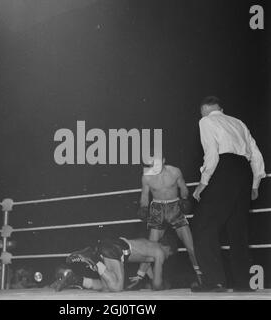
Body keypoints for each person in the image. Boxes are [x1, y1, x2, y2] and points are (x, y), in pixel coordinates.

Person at [192, 96, 266, 292]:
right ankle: (243, 282)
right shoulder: (238, 122)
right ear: (221, 108)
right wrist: (255, 183)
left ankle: (214, 280)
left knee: (202, 226)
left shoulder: (206, 120)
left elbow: (212, 154)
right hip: (244, 172)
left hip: (223, 170)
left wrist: (202, 183)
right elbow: (256, 153)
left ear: (204, 109)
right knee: (237, 229)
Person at [130, 156, 202, 289]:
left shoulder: (175, 172)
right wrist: (143, 207)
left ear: (163, 160)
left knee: (190, 246)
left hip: (174, 207)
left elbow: (183, 188)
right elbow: (145, 196)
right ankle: (139, 277)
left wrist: (185, 199)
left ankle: (201, 278)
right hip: (157, 209)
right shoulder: (147, 176)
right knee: (151, 246)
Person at [50, 235, 177, 292]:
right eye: (169, 255)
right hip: (117, 248)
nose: (167, 257)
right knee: (117, 287)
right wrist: (162, 287)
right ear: (168, 248)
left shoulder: (152, 246)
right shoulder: (160, 252)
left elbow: (147, 261)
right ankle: (92, 258)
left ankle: (76, 280)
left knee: (105, 287)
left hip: (112, 246)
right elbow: (157, 283)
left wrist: (139, 276)